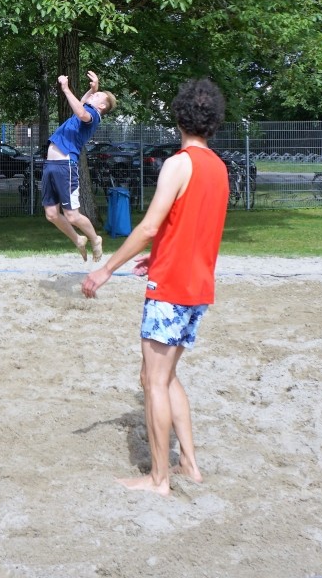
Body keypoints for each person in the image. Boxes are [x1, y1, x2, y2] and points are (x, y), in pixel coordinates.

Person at [83, 79, 229, 498]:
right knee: (163, 376)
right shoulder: (218, 167)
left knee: (153, 381)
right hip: (198, 285)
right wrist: (161, 254)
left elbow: (148, 226)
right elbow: (191, 227)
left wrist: (106, 269)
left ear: (179, 117)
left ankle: (159, 479)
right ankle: (190, 465)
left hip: (172, 288)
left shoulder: (179, 164)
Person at [41, 71, 117, 262]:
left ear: (101, 106)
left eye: (98, 96)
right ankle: (78, 239)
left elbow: (82, 112)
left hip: (65, 165)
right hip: (51, 164)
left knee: (72, 216)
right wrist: (93, 89)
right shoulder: (87, 108)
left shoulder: (93, 115)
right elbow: (81, 104)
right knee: (51, 214)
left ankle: (95, 239)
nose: (93, 95)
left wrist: (66, 88)